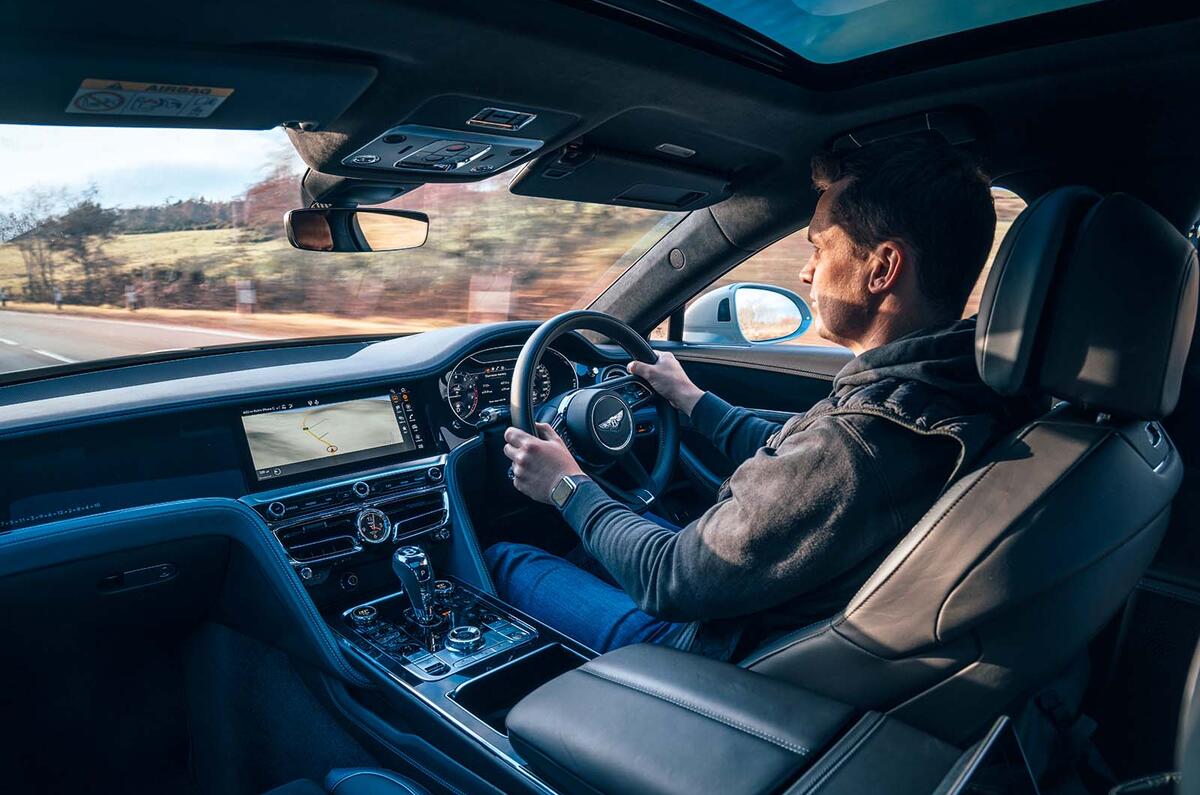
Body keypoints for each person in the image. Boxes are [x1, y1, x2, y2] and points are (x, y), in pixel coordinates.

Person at [487, 133, 1027, 660]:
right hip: (786, 624)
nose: (806, 269)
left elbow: (667, 579)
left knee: (507, 558)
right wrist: (691, 399)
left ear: (882, 268)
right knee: (591, 546)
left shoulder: (863, 435)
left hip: (721, 655)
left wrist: (565, 487)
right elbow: (798, 458)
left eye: (820, 245)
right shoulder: (959, 393)